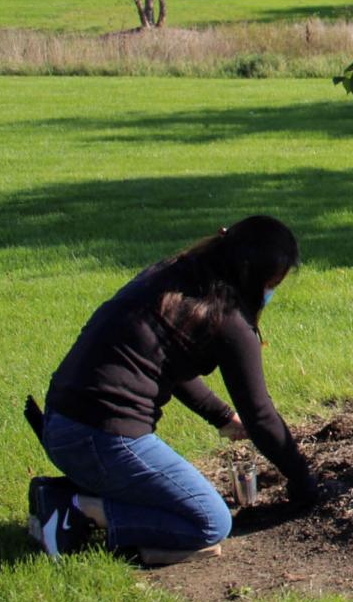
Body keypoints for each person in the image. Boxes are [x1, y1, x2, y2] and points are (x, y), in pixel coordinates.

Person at [28, 215, 319, 563]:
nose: (271, 293)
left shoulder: (172, 276)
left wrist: (222, 417)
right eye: (273, 283)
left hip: (63, 426)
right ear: (252, 276)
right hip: (101, 440)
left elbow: (166, 364)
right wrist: (303, 482)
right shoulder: (228, 320)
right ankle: (75, 509)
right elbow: (261, 416)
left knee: (180, 504)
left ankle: (66, 495)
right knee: (209, 523)